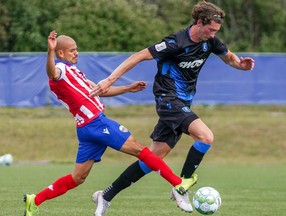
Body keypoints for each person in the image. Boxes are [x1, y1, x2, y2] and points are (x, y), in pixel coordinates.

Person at [90, 0, 255, 214]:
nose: (214, 34)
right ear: (199, 22)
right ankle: (182, 185)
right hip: (167, 99)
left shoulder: (211, 42)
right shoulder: (175, 42)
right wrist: (109, 80)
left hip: (183, 103)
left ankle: (106, 195)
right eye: (211, 29)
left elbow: (229, 56)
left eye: (216, 31)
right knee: (206, 136)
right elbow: (139, 56)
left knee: (152, 159)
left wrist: (240, 65)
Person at [23, 30, 197, 216]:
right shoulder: (60, 70)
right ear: (60, 53)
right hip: (96, 124)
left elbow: (100, 90)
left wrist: (127, 88)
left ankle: (35, 200)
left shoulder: (73, 71)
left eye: (77, 49)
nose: (76, 53)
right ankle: (178, 185)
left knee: (77, 178)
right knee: (140, 150)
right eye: (72, 50)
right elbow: (51, 72)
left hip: (86, 129)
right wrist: (49, 52)